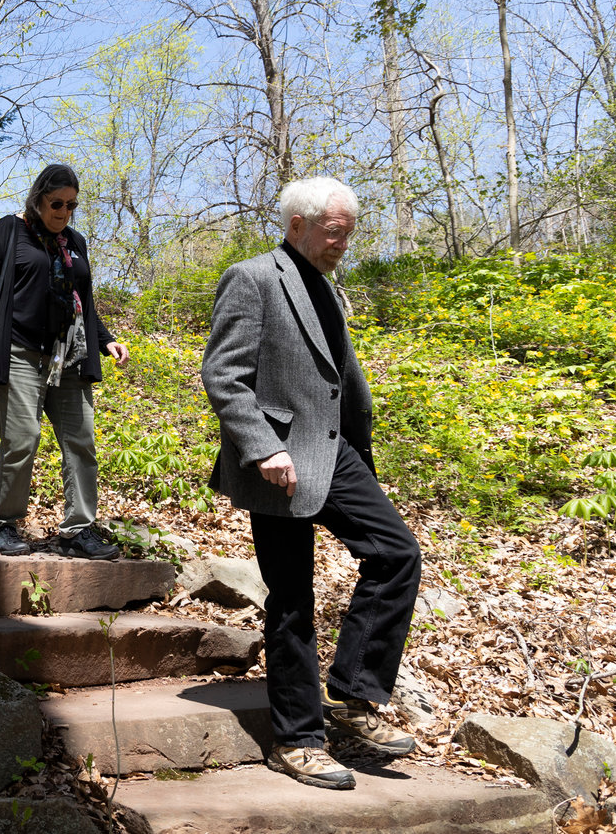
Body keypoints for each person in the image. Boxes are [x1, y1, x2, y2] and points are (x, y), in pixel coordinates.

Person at [201, 176, 421, 790]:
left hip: (337, 454)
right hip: (278, 460)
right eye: (333, 233)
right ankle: (297, 740)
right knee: (292, 597)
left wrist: (364, 453)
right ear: (297, 225)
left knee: (397, 554)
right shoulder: (253, 277)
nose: (340, 245)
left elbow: (341, 383)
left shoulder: (327, 287)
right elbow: (224, 374)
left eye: (347, 235)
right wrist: (261, 446)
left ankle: (351, 694)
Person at [0, 163, 129, 560]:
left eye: (72, 205)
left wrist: (105, 340)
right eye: (56, 203)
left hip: (68, 355)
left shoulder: (75, 242)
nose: (64, 212)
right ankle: (4, 525)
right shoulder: (10, 230)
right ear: (38, 198)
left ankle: (78, 531)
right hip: (20, 351)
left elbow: (82, 302)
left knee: (81, 440)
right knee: (22, 438)